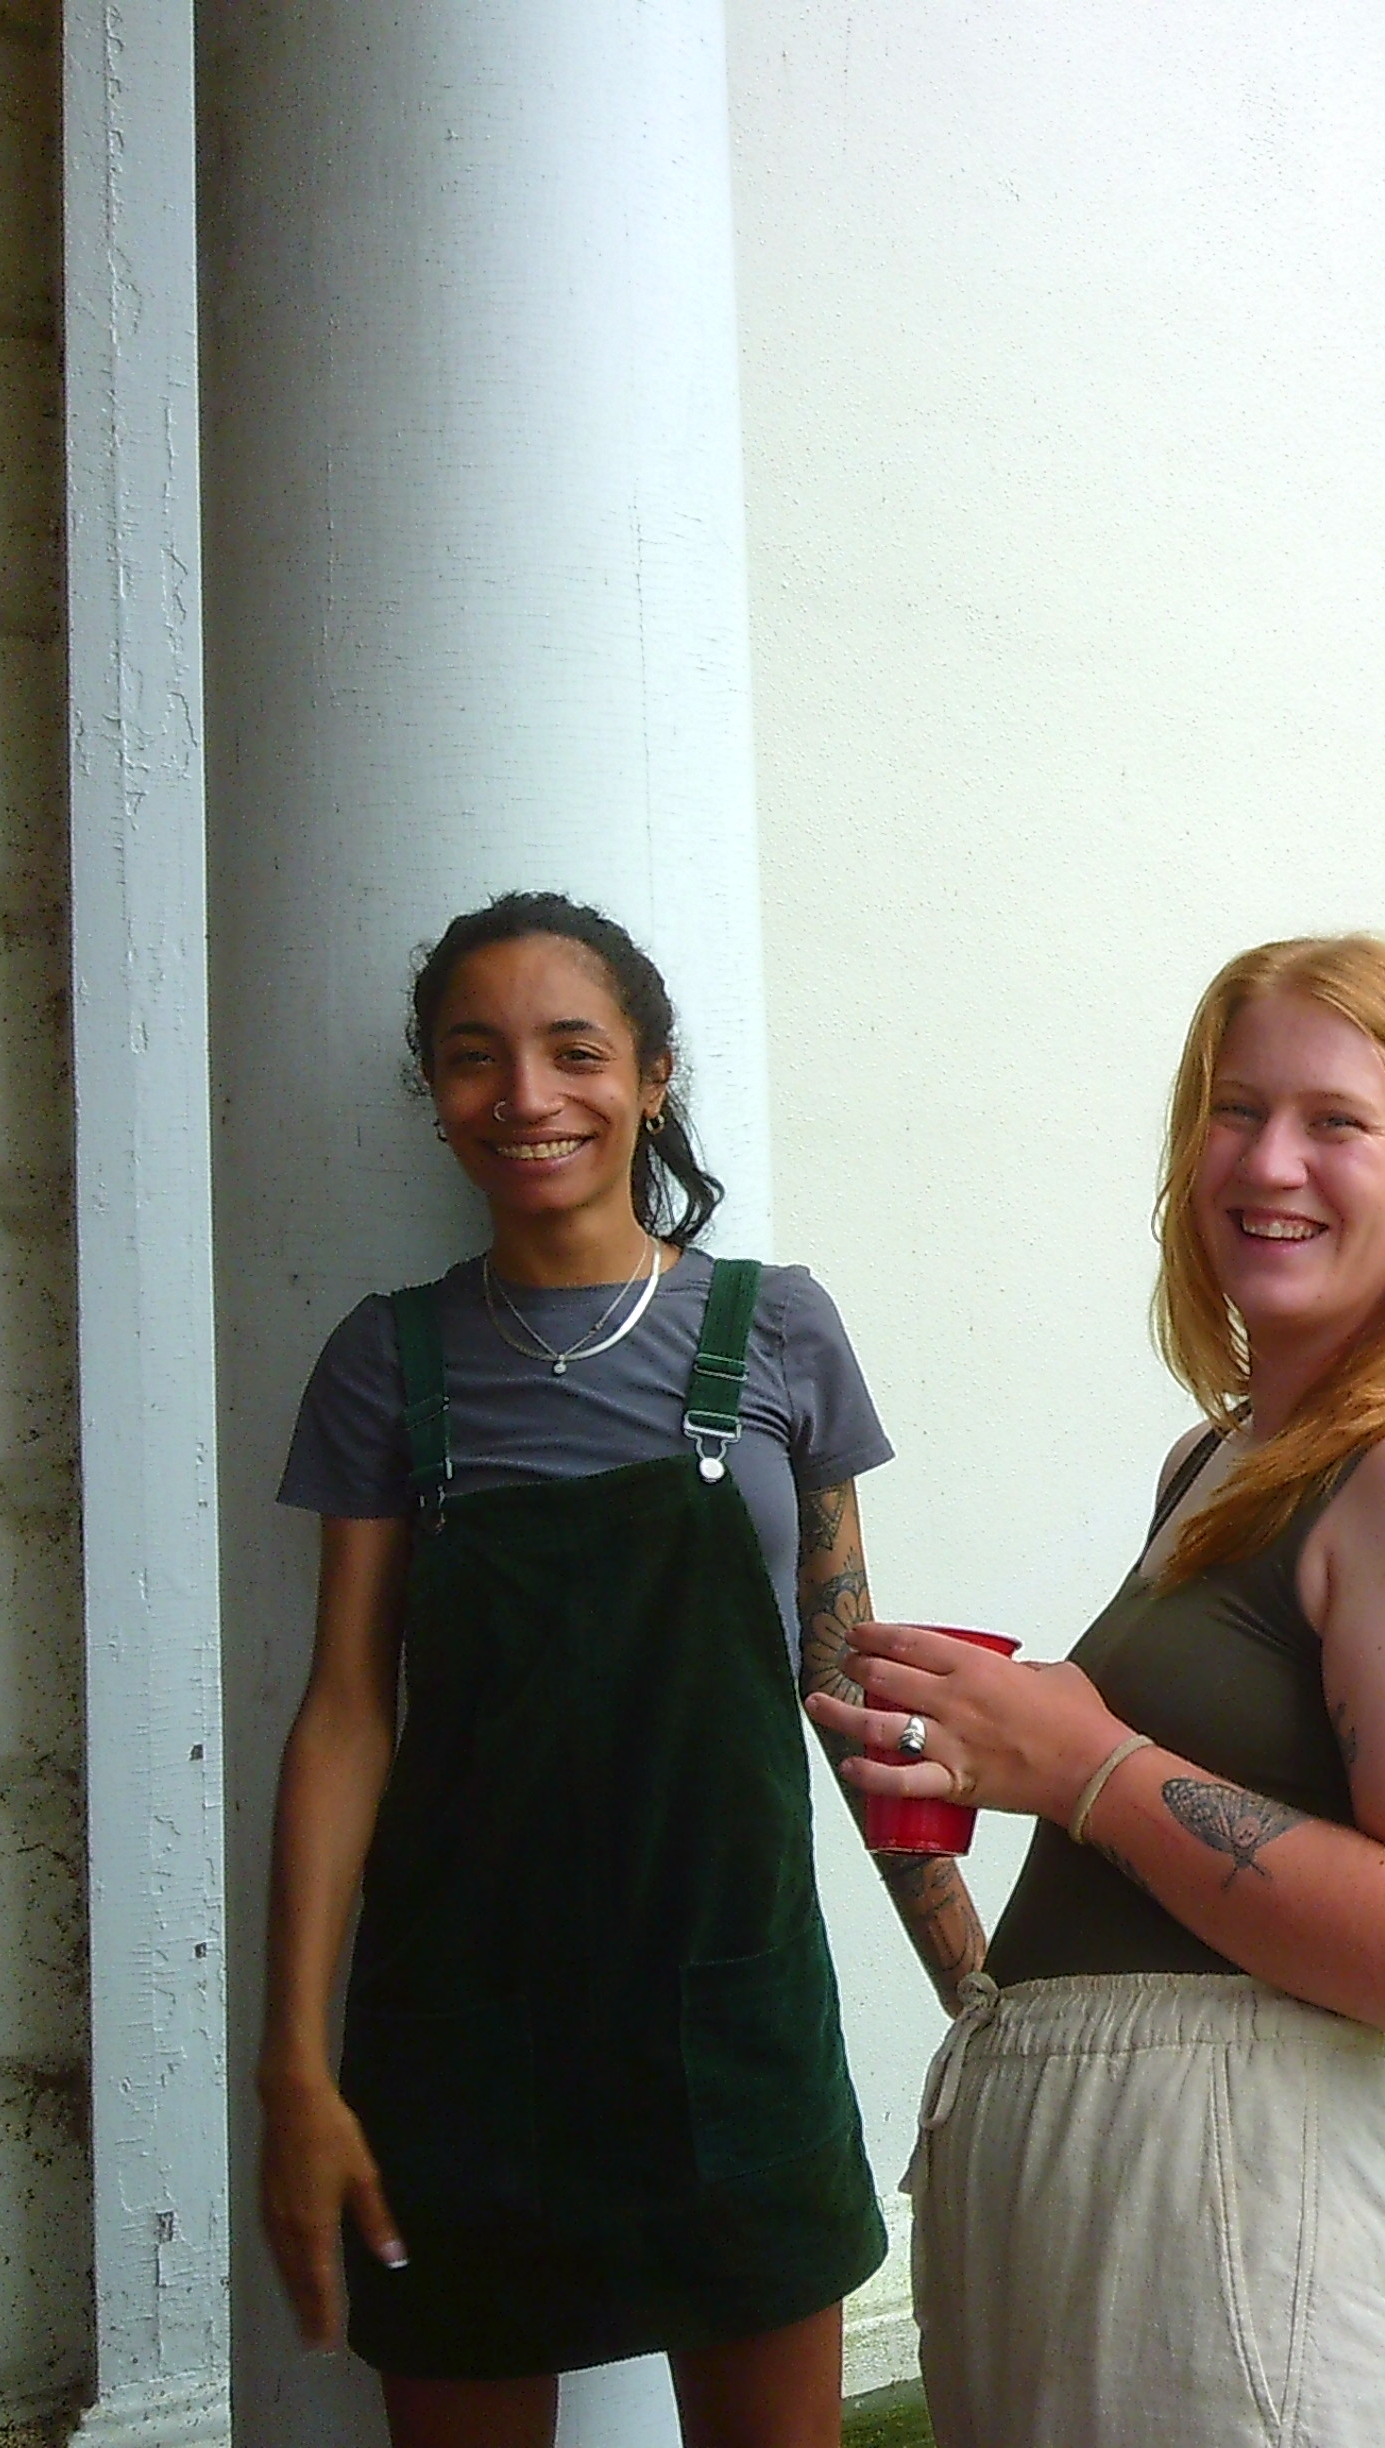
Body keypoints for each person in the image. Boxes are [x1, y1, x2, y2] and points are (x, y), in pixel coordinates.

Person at [809, 934, 1385, 2448]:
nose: (1270, 1161)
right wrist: (987, 1751)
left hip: (1255, 2241)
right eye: (1235, 1112)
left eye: (1336, 1122)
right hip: (1115, 2229)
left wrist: (1087, 1768)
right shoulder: (1220, 1461)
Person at [255, 893, 984, 2448]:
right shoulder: (392, 1364)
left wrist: (976, 1994)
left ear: (652, 1076)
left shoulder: (776, 1331)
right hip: (458, 2047)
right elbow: (342, 1715)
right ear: (436, 1094)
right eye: (474, 1059)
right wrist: (294, 2072)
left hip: (735, 2029)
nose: (525, 1098)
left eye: (573, 1051)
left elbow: (844, 1676)